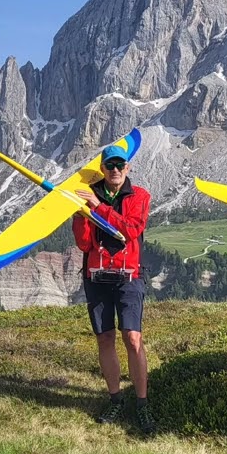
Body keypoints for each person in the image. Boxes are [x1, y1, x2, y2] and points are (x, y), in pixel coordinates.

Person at [73, 143, 155, 433]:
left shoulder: (140, 196)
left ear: (128, 168)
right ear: (103, 169)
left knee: (133, 338)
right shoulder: (88, 195)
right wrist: (80, 215)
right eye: (110, 166)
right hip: (96, 276)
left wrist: (100, 208)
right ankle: (116, 399)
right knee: (105, 339)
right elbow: (83, 244)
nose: (116, 170)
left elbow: (131, 229)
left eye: (121, 165)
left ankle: (142, 403)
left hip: (128, 276)